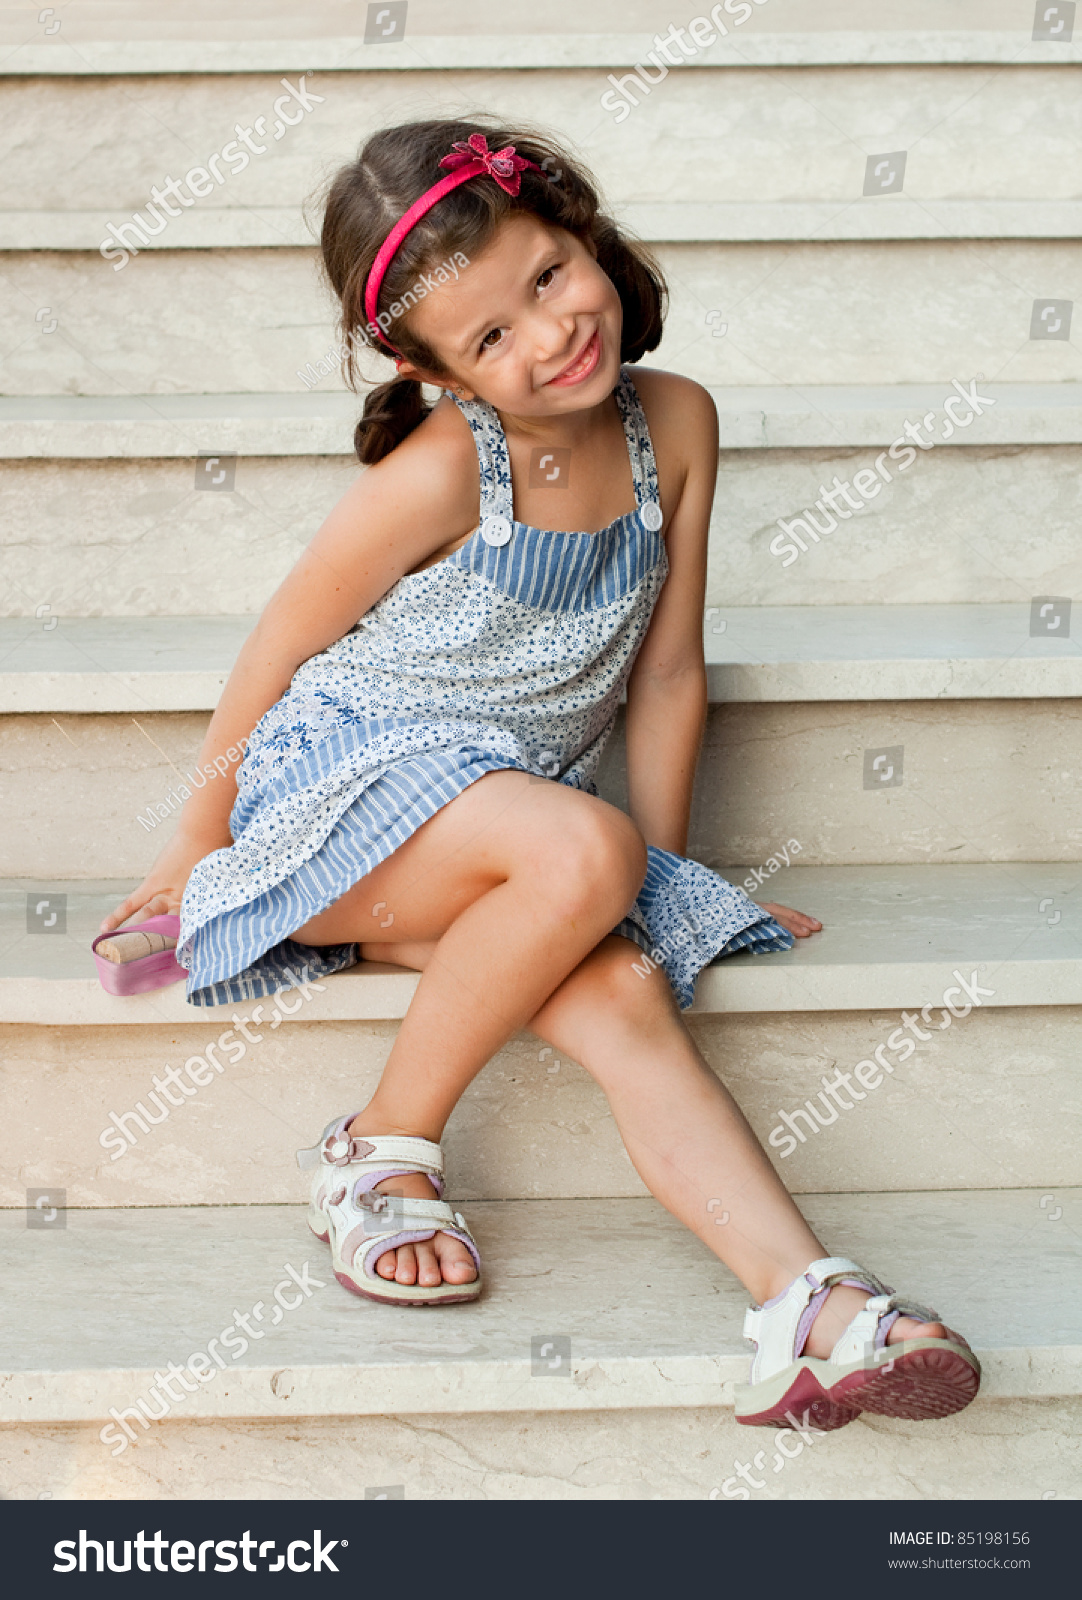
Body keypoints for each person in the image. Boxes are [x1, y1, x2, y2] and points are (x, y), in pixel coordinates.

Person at [101, 120, 979, 1430]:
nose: (550, 335)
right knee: (579, 855)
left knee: (618, 974)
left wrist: (660, 873)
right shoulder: (450, 465)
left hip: (507, 829)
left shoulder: (672, 422)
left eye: (550, 277)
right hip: (339, 799)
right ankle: (378, 1152)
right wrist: (189, 849)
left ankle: (809, 1307)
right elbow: (278, 645)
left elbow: (666, 673)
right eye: (490, 339)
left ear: (585, 233)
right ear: (435, 372)